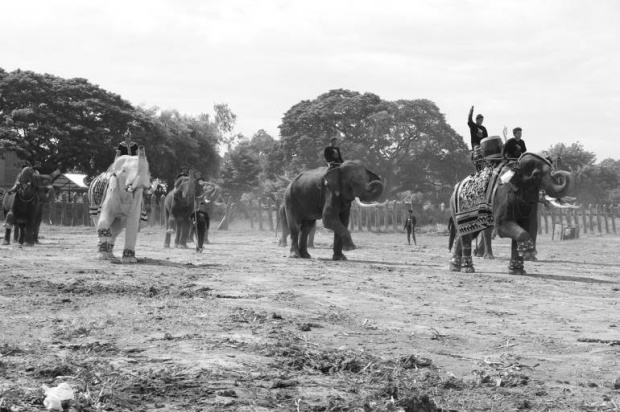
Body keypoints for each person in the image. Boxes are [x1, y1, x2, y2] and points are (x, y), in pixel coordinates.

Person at [467, 106, 488, 172]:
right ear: (476, 120)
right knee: (478, 151)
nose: (481, 121)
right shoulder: (473, 126)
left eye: (482, 120)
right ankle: (478, 169)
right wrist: (471, 112)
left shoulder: (484, 128)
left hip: (482, 145)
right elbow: (469, 120)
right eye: (479, 120)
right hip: (475, 144)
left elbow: (486, 138)